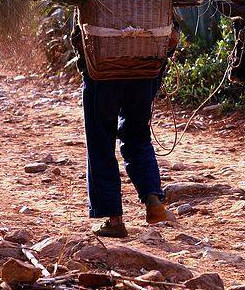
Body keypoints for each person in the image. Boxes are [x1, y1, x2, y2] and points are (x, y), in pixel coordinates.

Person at [71, 13, 179, 238]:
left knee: (101, 142)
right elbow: (172, 37)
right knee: (137, 136)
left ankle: (114, 219)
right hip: (144, 73)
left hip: (102, 75)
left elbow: (79, 38)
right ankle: (152, 199)